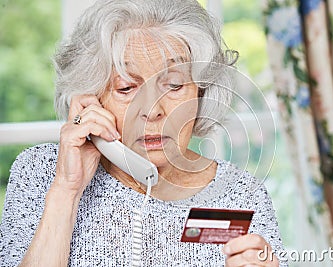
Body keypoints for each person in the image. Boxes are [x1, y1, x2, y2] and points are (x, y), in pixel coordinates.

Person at [0, 0, 286, 266]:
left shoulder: (243, 193)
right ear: (91, 98)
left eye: (174, 85)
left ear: (201, 93)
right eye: (126, 88)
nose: (152, 110)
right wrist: (67, 190)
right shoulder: (42, 172)